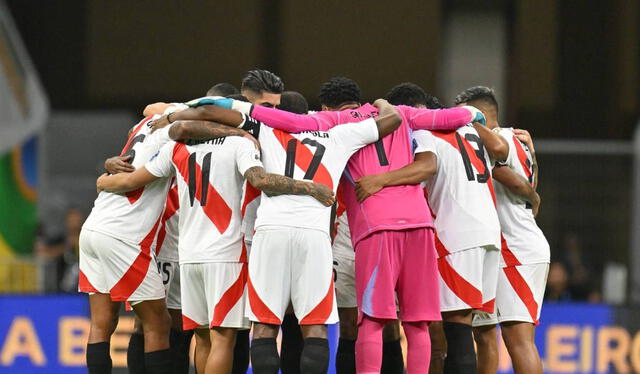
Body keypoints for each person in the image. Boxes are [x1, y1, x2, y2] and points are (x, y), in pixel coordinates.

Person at [209, 76, 485, 374]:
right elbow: (450, 117)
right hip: (419, 223)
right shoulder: (402, 115)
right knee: (417, 323)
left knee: (371, 321)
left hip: (373, 226)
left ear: (326, 105)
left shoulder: (336, 123)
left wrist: (219, 105)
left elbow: (283, 119)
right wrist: (477, 114)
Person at [153, 94, 404, 374]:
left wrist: (175, 115)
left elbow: (206, 114)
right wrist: (381, 102)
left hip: (270, 232)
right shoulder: (339, 134)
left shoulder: (265, 128)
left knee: (264, 327)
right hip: (314, 234)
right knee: (315, 327)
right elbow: (393, 120)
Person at [96, 116, 335, 374]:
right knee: (223, 339)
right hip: (226, 254)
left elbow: (131, 179)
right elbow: (259, 179)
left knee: (202, 338)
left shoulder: (177, 147)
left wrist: (102, 179)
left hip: (187, 254)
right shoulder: (240, 144)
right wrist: (309, 187)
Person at [79, 111, 253, 374]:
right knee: (159, 323)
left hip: (93, 227)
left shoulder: (144, 125)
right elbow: (183, 125)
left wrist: (103, 176)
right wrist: (239, 132)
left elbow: (152, 108)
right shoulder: (172, 138)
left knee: (102, 323)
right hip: (124, 236)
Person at [356, 83, 507, 374]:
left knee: (457, 330)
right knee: (479, 330)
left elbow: (427, 167)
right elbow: (500, 151)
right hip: (490, 233)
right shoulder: (470, 131)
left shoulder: (424, 132)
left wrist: (380, 180)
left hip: (458, 235)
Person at [459, 87, 549, 374]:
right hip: (494, 250)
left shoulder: (507, 136)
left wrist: (467, 121)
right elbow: (526, 184)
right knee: (483, 335)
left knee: (518, 339)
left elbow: (499, 153)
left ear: (482, 115)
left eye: (466, 114)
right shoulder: (521, 142)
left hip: (517, 249)